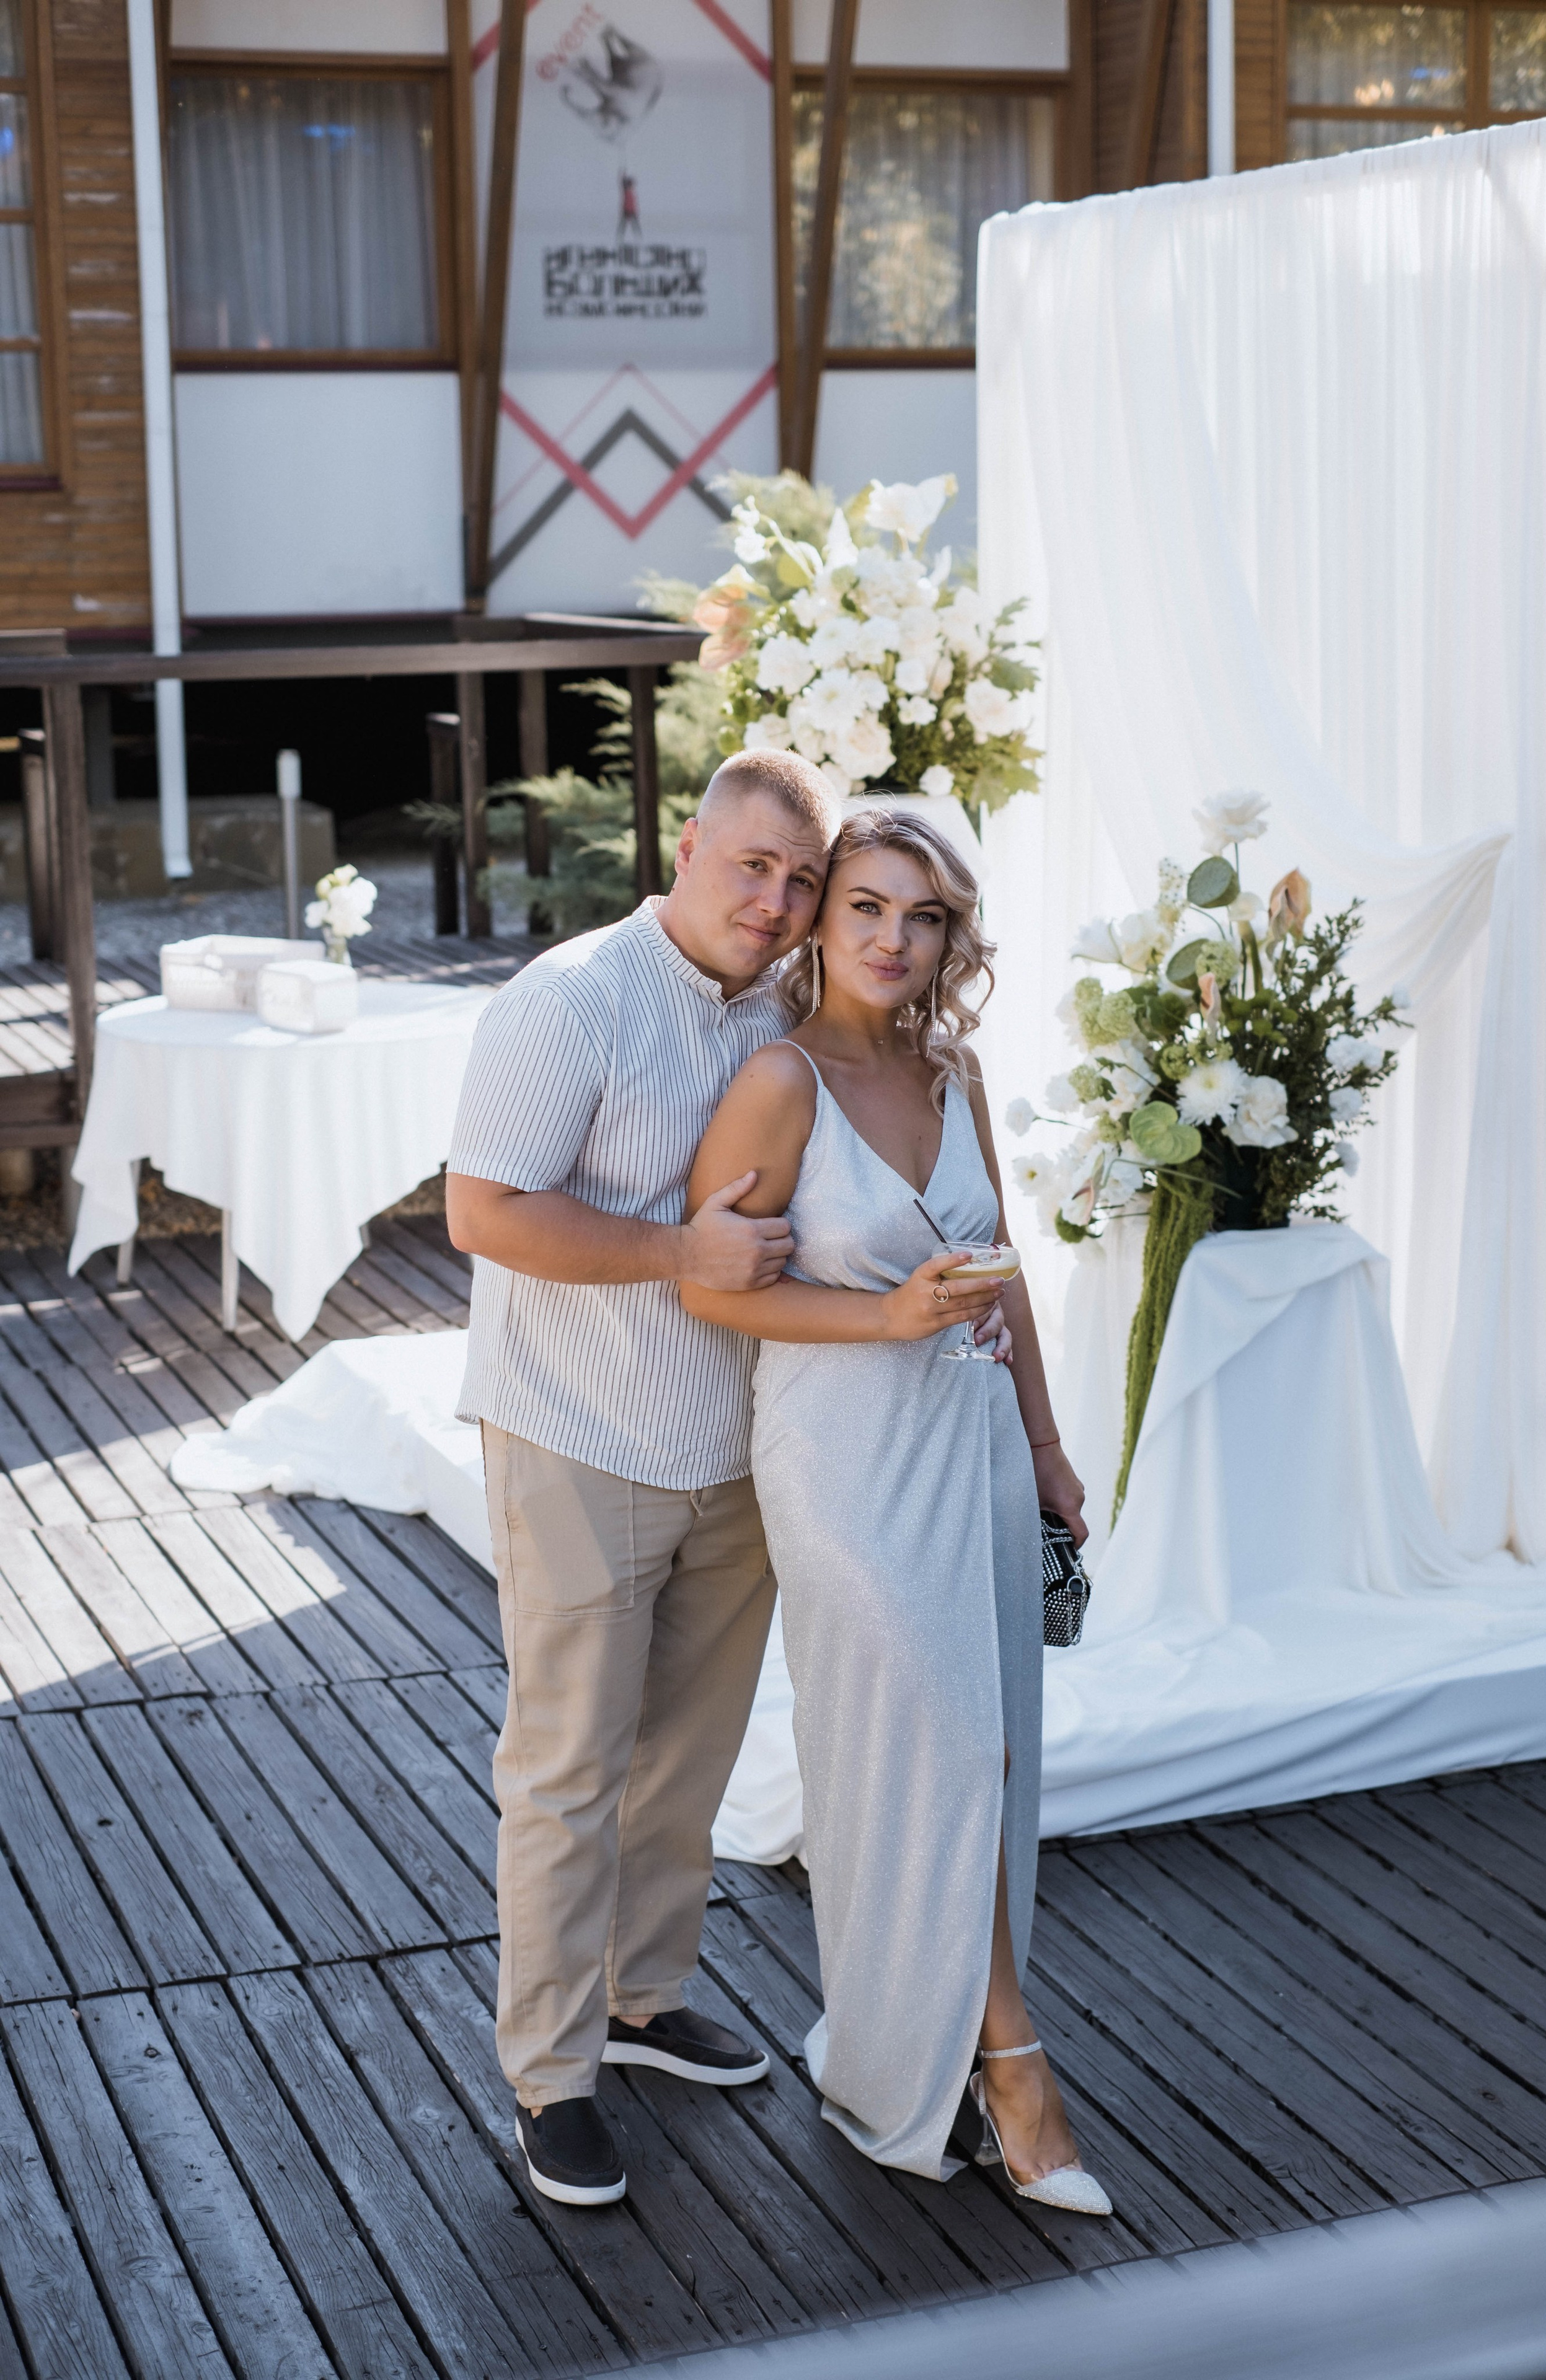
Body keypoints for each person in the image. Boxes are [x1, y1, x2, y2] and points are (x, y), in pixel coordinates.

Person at [445, 752, 1005, 2210]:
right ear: (683, 850)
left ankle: (641, 2000)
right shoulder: (569, 1000)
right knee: (567, 1767)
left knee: (685, 1756)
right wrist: (668, 1255)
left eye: (797, 880)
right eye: (750, 867)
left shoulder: (786, 1007)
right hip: (578, 1430)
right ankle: (550, 2077)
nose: (774, 901)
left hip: (744, 1442)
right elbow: (479, 1209)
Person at [679, 808, 1110, 2211]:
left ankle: (900, 2047)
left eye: (920, 917)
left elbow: (1000, 1269)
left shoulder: (954, 1069)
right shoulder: (776, 1082)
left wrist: (1043, 1443)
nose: (889, 939)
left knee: (981, 1754)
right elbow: (708, 1286)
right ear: (819, 917)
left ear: (948, 939)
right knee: (923, 1740)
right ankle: (1013, 2066)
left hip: (972, 1439)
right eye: (864, 905)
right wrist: (887, 1321)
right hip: (844, 1457)